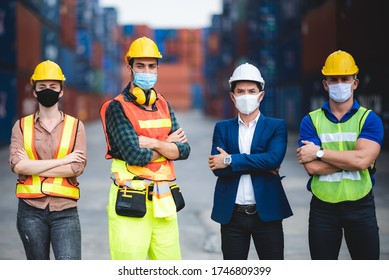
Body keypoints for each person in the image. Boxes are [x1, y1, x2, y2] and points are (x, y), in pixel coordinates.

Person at [99, 36, 190, 260]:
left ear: (158, 68)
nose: (146, 71)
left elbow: (185, 150)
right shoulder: (116, 107)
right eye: (140, 66)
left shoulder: (163, 104)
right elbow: (134, 155)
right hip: (130, 201)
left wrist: (153, 143)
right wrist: (168, 144)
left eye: (151, 66)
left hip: (164, 202)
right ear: (129, 67)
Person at [296, 50, 384, 260]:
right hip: (323, 208)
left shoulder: (369, 119)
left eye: (345, 79)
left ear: (355, 83)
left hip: (361, 206)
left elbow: (362, 160)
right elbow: (312, 168)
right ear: (325, 84)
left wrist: (319, 152)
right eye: (333, 79)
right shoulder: (311, 120)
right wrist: (355, 160)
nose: (339, 84)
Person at [208, 62, 293, 260]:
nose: (246, 95)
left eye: (251, 91)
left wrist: (229, 159)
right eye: (241, 91)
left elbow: (273, 159)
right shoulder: (222, 128)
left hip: (267, 213)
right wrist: (260, 164)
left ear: (261, 95)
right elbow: (217, 168)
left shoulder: (276, 126)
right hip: (232, 215)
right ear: (232, 96)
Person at [9, 60, 87, 260]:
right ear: (34, 91)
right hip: (30, 211)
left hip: (65, 211)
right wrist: (62, 161)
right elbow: (18, 165)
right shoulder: (21, 126)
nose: (47, 91)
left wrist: (31, 166)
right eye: (42, 87)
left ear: (61, 91)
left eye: (53, 87)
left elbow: (76, 167)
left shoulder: (76, 126)